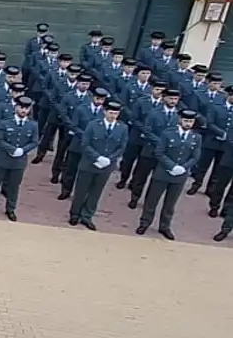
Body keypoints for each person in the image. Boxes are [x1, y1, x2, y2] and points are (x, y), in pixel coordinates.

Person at [137, 109, 201, 239]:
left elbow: (195, 156)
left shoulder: (196, 137)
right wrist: (172, 166)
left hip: (180, 175)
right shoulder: (167, 134)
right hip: (163, 172)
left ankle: (165, 226)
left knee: (170, 203)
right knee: (152, 200)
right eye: (186, 120)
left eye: (191, 121)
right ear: (180, 120)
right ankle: (145, 223)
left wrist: (183, 168)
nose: (188, 123)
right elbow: (159, 152)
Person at [69, 100, 128, 231]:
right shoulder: (93, 125)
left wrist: (109, 159)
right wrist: (97, 157)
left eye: (116, 113)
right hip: (89, 163)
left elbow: (122, 147)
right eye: (111, 112)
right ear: (105, 112)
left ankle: (87, 215)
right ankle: (75, 214)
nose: (113, 116)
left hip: (106, 166)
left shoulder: (122, 128)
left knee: (96, 192)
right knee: (81, 190)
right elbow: (85, 143)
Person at [0, 96, 40, 221]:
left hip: (19, 161)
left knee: (14, 186)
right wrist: (12, 149)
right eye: (21, 107)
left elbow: (35, 141)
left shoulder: (33, 125)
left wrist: (23, 150)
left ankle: (10, 208)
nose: (23, 110)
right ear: (16, 107)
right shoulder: (5, 123)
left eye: (26, 108)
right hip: (3, 159)